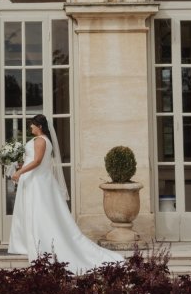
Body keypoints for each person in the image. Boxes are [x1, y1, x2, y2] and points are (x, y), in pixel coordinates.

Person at [8, 114, 122, 273]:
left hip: (38, 182)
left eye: (32, 125)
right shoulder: (42, 140)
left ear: (39, 126)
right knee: (37, 213)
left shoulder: (41, 140)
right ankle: (32, 242)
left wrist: (19, 172)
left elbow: (37, 161)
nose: (30, 127)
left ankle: (42, 243)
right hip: (36, 181)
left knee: (40, 213)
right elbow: (33, 159)